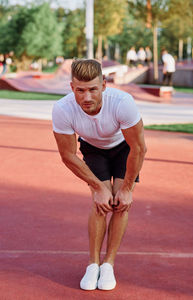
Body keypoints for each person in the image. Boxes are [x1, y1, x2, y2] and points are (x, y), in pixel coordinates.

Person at [52, 59, 147, 291]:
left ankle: (108, 265)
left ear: (104, 85)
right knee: (101, 203)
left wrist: (126, 189)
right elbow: (68, 155)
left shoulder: (122, 103)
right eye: (80, 90)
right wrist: (97, 187)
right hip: (93, 149)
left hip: (124, 147)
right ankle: (93, 264)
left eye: (93, 89)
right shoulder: (62, 109)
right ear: (71, 87)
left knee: (120, 202)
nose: (87, 97)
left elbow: (139, 148)